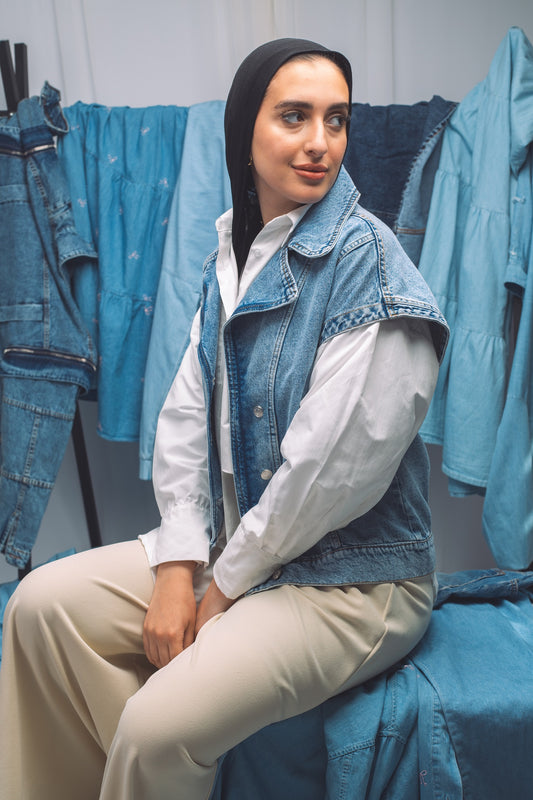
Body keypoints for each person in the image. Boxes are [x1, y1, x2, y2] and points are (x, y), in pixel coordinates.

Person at [0, 38, 448, 800]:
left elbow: (326, 474)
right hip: (238, 546)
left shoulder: (369, 266)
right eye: (294, 117)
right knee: (40, 608)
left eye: (334, 120)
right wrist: (178, 565)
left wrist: (219, 589)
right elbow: (184, 414)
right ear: (245, 130)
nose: (319, 142)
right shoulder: (235, 255)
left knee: (154, 728)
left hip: (351, 582)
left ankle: (147, 766)